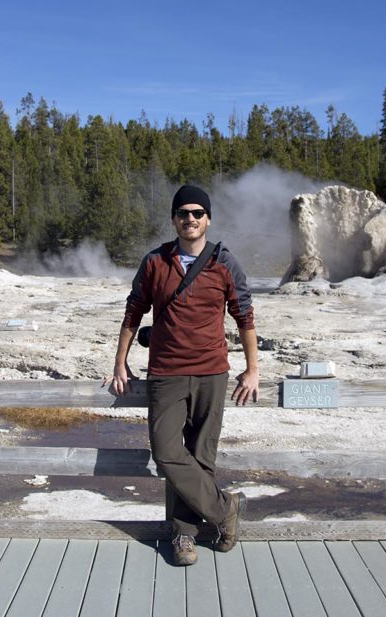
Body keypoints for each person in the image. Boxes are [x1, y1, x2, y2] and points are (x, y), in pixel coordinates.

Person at [110, 184, 259, 566]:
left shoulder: (224, 262)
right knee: (166, 452)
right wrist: (120, 362)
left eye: (197, 213)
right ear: (174, 218)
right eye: (182, 213)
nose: (189, 219)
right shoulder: (155, 262)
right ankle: (226, 509)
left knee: (201, 455)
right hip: (166, 372)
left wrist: (253, 370)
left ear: (207, 219)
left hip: (212, 372)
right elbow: (133, 313)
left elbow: (245, 317)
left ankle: (183, 536)